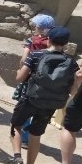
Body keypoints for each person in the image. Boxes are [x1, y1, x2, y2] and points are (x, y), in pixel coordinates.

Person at [5, 26, 78, 164]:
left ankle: (17, 157)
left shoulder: (36, 55)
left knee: (16, 126)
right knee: (35, 135)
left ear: (49, 39)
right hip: (51, 104)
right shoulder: (71, 62)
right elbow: (73, 90)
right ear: (66, 44)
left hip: (30, 99)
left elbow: (19, 77)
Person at [13, 13, 55, 147]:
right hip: (46, 81)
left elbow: (24, 59)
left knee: (25, 106)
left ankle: (24, 139)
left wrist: (22, 70)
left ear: (41, 28)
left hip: (30, 78)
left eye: (37, 25)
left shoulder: (32, 41)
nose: (35, 27)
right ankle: (33, 136)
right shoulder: (53, 42)